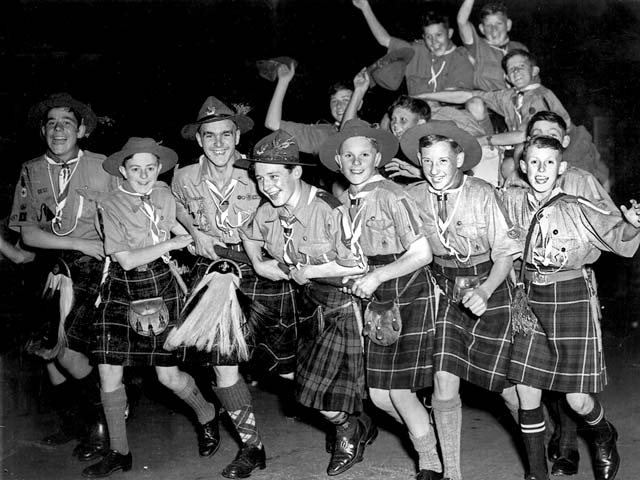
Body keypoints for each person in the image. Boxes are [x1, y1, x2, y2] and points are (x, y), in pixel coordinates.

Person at [501, 135, 640, 480]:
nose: (541, 169)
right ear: (523, 166)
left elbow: (617, 235)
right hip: (529, 301)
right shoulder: (510, 201)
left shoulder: (576, 206)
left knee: (577, 401)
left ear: (561, 168)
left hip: (570, 296)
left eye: (549, 162)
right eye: (534, 162)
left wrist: (633, 225)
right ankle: (536, 474)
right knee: (525, 390)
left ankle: (603, 431)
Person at [172, 96, 297, 478]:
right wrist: (192, 233)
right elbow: (173, 209)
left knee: (287, 368)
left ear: (237, 135)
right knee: (223, 368)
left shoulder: (257, 172)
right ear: (199, 140)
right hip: (214, 274)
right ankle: (252, 447)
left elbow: (288, 210)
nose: (219, 143)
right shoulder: (183, 177)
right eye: (210, 136)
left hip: (259, 273)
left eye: (226, 134)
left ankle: (344, 420)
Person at [240, 129, 376, 477]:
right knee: (305, 383)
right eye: (259, 178)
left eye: (274, 176)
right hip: (305, 302)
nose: (266, 185)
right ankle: (355, 422)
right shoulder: (267, 211)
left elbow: (358, 263)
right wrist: (257, 262)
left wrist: (307, 268)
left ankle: (349, 431)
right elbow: (249, 233)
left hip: (340, 302)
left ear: (295, 173)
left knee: (313, 392)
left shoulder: (328, 209)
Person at [81, 138, 219, 477]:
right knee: (108, 372)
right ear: (123, 171)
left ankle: (207, 416)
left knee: (168, 376)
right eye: (135, 169)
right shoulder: (110, 203)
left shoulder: (163, 194)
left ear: (158, 169)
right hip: (123, 285)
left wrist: (197, 238)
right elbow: (126, 260)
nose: (143, 175)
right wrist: (172, 242)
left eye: (150, 168)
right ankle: (119, 451)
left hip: (161, 282)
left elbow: (170, 223)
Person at [319, 119, 443, 480]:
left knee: (398, 391)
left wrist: (376, 277)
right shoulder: (347, 200)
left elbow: (422, 253)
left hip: (404, 289)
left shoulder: (392, 194)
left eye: (364, 154)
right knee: (378, 395)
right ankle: (424, 427)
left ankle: (431, 464)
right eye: (349, 155)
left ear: (377, 157)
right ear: (338, 162)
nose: (356, 162)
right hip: (372, 292)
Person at [402, 122, 521, 480]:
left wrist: (485, 291)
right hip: (442, 288)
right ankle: (452, 473)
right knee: (443, 380)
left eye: (443, 161)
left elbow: (504, 253)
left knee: (510, 390)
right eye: (427, 162)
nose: (435, 170)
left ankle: (538, 438)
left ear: (460, 159)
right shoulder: (413, 196)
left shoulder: (483, 192)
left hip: (489, 284)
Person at [9, 92, 116, 461]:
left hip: (92, 268)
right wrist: (75, 243)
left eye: (67, 123)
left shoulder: (105, 166)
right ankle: (73, 422)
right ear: (43, 131)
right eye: (52, 123)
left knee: (67, 350)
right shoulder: (31, 168)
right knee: (46, 353)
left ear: (82, 130)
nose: (59, 129)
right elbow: (28, 234)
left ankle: (100, 425)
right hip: (50, 268)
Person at [413, 49, 570, 150]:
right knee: (474, 102)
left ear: (534, 70)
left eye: (521, 66)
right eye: (511, 69)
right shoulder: (509, 95)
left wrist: (482, 140)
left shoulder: (540, 96)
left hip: (557, 151)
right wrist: (421, 96)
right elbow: (467, 95)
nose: (516, 71)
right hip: (523, 148)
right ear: (507, 77)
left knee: (513, 159)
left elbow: (522, 136)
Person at [352, 0, 474, 97]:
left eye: (438, 35)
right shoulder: (416, 51)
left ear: (450, 33)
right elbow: (384, 39)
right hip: (413, 114)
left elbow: (456, 96)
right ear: (423, 37)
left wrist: (421, 98)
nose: (434, 42)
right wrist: (365, 7)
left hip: (446, 117)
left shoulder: (461, 57)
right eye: (428, 37)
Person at [457, 0, 528, 92]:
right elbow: (462, 21)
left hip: (515, 100)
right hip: (487, 101)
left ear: (508, 25)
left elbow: (533, 81)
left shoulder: (520, 48)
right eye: (488, 25)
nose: (494, 30)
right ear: (482, 29)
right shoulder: (477, 46)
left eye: (499, 24)